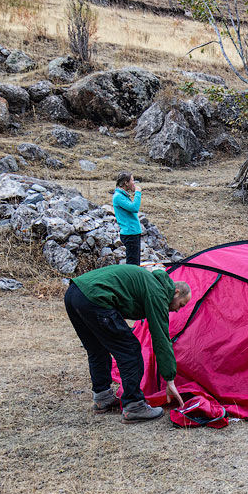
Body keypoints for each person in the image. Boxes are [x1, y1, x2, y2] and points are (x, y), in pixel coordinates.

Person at [64, 264, 191, 423]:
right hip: (94, 297)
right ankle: (134, 406)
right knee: (130, 349)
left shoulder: (150, 282)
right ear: (176, 292)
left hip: (74, 293)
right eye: (181, 305)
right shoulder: (158, 293)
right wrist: (170, 379)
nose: (178, 310)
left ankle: (102, 397)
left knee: (97, 348)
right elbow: (161, 337)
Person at [113, 172, 143, 266]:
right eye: (132, 180)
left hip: (133, 232)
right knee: (132, 264)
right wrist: (137, 193)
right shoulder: (118, 197)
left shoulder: (123, 195)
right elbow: (134, 208)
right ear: (126, 183)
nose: (134, 183)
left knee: (135, 262)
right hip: (130, 234)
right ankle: (131, 280)